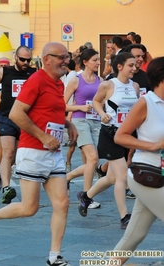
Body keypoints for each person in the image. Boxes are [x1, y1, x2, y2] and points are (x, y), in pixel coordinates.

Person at [0, 42, 77, 266]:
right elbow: (17, 114)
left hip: (53, 152)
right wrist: (43, 137)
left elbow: (50, 111)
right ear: (47, 59)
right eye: (62, 57)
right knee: (30, 208)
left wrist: (67, 124)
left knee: (63, 203)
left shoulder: (58, 83)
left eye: (67, 57)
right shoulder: (36, 80)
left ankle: (54, 256)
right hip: (33, 151)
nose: (66, 61)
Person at [110, 56, 164, 264]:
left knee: (134, 235)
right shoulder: (146, 102)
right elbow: (120, 136)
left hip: (159, 176)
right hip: (146, 174)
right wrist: (153, 145)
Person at [77, 52, 139, 229]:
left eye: (135, 65)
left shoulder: (135, 86)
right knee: (121, 176)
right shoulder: (109, 85)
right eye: (131, 65)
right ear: (120, 66)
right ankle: (124, 217)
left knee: (111, 178)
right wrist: (103, 114)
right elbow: (96, 101)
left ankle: (86, 196)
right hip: (111, 134)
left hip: (127, 135)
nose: (134, 68)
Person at [0, 45, 36, 204]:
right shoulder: (4, 71)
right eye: (22, 59)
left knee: (15, 157)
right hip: (7, 117)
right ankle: (7, 188)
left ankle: (0, 172)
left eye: (28, 60)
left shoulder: (34, 73)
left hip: (25, 119)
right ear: (15, 57)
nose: (25, 63)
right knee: (8, 152)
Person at [64, 49, 103, 209]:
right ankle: (86, 196)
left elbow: (102, 101)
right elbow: (62, 104)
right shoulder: (76, 80)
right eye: (95, 60)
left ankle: (68, 176)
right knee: (92, 159)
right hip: (80, 121)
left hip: (97, 121)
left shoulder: (100, 80)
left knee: (94, 161)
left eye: (99, 60)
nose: (98, 62)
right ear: (85, 62)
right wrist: (81, 107)